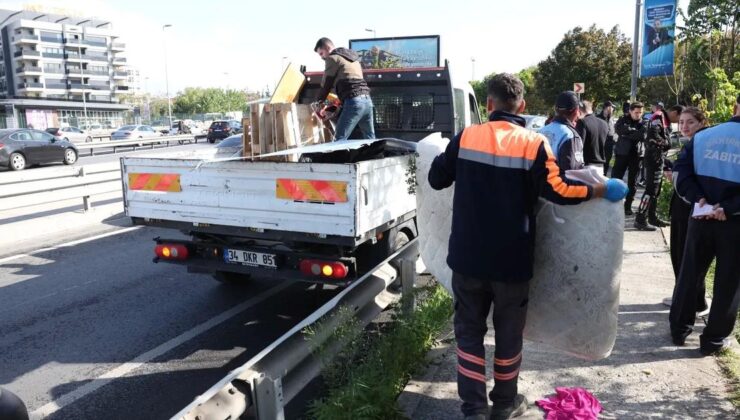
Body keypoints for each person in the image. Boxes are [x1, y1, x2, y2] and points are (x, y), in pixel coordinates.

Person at [428, 73, 628, 420]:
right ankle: (505, 404)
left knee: (469, 333)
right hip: (512, 262)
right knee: (508, 334)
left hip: (467, 259)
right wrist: (598, 190)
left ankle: (473, 409)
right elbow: (560, 191)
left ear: (488, 104)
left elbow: (436, 178)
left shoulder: (466, 137)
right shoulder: (534, 144)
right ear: (521, 106)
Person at [669, 95, 740, 355]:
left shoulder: (704, 137)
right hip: (733, 224)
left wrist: (700, 201)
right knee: (728, 282)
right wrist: (727, 209)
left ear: (735, 107)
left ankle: (679, 329)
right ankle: (713, 340)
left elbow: (680, 174)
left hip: (700, 217)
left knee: (690, 273)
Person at [663, 107, 709, 315]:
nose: (684, 127)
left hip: (693, 206)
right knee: (680, 253)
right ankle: (684, 296)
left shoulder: (701, 143)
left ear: (701, 122)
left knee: (686, 255)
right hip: (683, 204)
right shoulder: (685, 144)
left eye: (690, 122)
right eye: (681, 122)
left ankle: (694, 302)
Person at [314, 37, 375, 140]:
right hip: (367, 102)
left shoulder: (332, 58)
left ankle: (336, 156)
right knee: (370, 139)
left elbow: (326, 85)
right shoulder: (353, 60)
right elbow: (350, 82)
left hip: (354, 102)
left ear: (328, 48)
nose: (322, 57)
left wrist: (317, 102)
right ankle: (375, 156)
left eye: (321, 53)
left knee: (339, 139)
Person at [635, 102, 672, 230]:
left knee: (656, 190)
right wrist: (666, 143)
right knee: (651, 190)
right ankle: (640, 219)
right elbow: (653, 136)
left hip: (658, 158)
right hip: (653, 159)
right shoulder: (658, 117)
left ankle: (652, 217)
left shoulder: (663, 118)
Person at [613, 102, 647, 215]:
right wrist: (634, 132)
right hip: (622, 153)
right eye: (636, 112)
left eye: (640, 113)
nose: (638, 115)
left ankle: (628, 206)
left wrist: (628, 134)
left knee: (633, 183)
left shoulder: (644, 122)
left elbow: (643, 135)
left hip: (637, 156)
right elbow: (619, 130)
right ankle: (613, 204)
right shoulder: (623, 119)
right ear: (630, 111)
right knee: (616, 179)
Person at [538, 91, 584, 170]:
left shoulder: (540, 131)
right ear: (576, 111)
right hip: (557, 181)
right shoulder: (570, 135)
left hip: (539, 181)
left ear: (556, 109)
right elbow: (573, 172)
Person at [576, 100, 609, 172]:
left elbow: (579, 145)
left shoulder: (582, 122)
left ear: (579, 111)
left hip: (586, 165)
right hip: (600, 166)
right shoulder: (604, 123)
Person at [597, 101, 617, 176]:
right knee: (600, 163)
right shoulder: (598, 118)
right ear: (608, 107)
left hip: (609, 144)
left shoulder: (611, 118)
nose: (613, 109)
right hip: (601, 144)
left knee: (607, 162)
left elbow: (612, 130)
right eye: (612, 107)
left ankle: (604, 177)